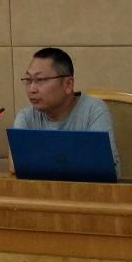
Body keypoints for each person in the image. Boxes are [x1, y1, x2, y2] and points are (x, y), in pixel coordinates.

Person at [12, 47, 120, 175]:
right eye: (28, 80)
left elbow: (102, 166)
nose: (32, 89)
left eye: (40, 80)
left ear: (68, 84)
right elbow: (15, 166)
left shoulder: (94, 110)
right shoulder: (26, 116)